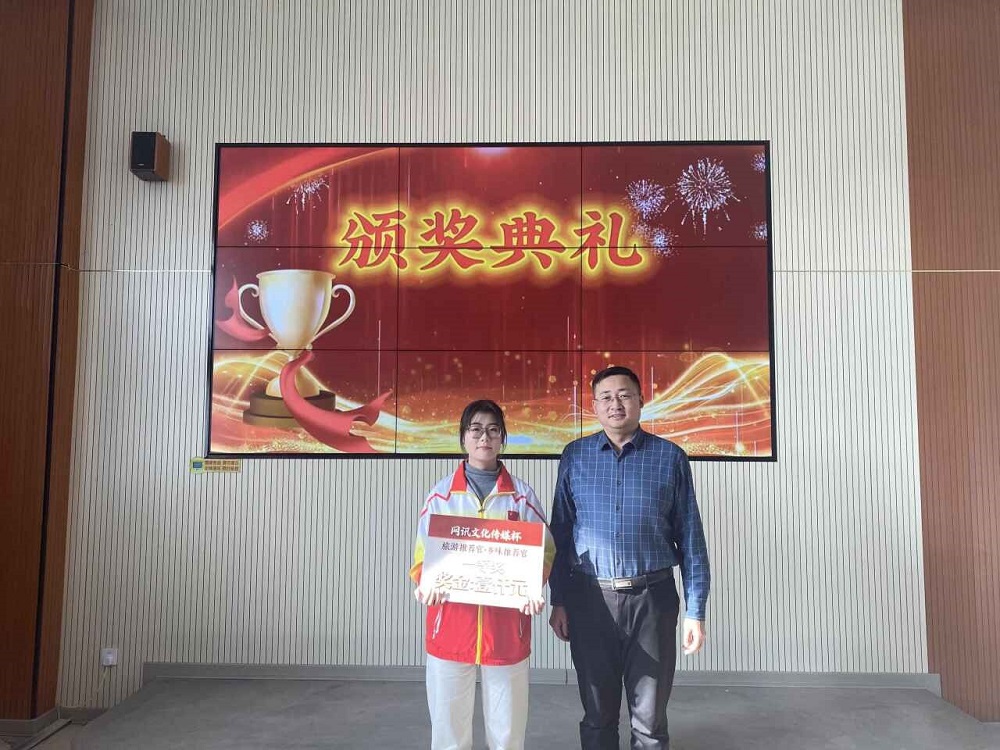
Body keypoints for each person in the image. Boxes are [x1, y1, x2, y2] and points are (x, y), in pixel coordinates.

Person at [548, 366, 711, 749]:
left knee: (650, 720)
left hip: (652, 601)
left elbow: (691, 537)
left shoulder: (669, 458)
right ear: (594, 406)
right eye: (606, 397)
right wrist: (559, 599)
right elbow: (561, 533)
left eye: (624, 395)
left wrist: (696, 611)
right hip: (590, 600)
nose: (615, 404)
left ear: (640, 400)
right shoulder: (575, 456)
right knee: (597, 715)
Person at [410, 399, 555, 750]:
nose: (484, 437)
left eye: (493, 430)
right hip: (449, 626)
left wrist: (532, 587)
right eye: (475, 429)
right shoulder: (441, 495)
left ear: (503, 438)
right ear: (463, 437)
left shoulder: (522, 497)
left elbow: (546, 550)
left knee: (507, 732)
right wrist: (426, 584)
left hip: (505, 629)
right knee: (448, 731)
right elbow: (421, 558)